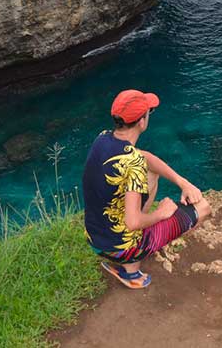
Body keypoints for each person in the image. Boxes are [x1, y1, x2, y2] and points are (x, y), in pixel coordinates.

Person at [82, 89, 212, 289]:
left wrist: (182, 182)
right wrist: (161, 214)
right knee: (203, 207)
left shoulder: (103, 139)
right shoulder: (132, 163)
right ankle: (130, 271)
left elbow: (146, 158)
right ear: (142, 122)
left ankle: (136, 246)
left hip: (95, 238)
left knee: (152, 173)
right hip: (119, 249)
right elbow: (133, 222)